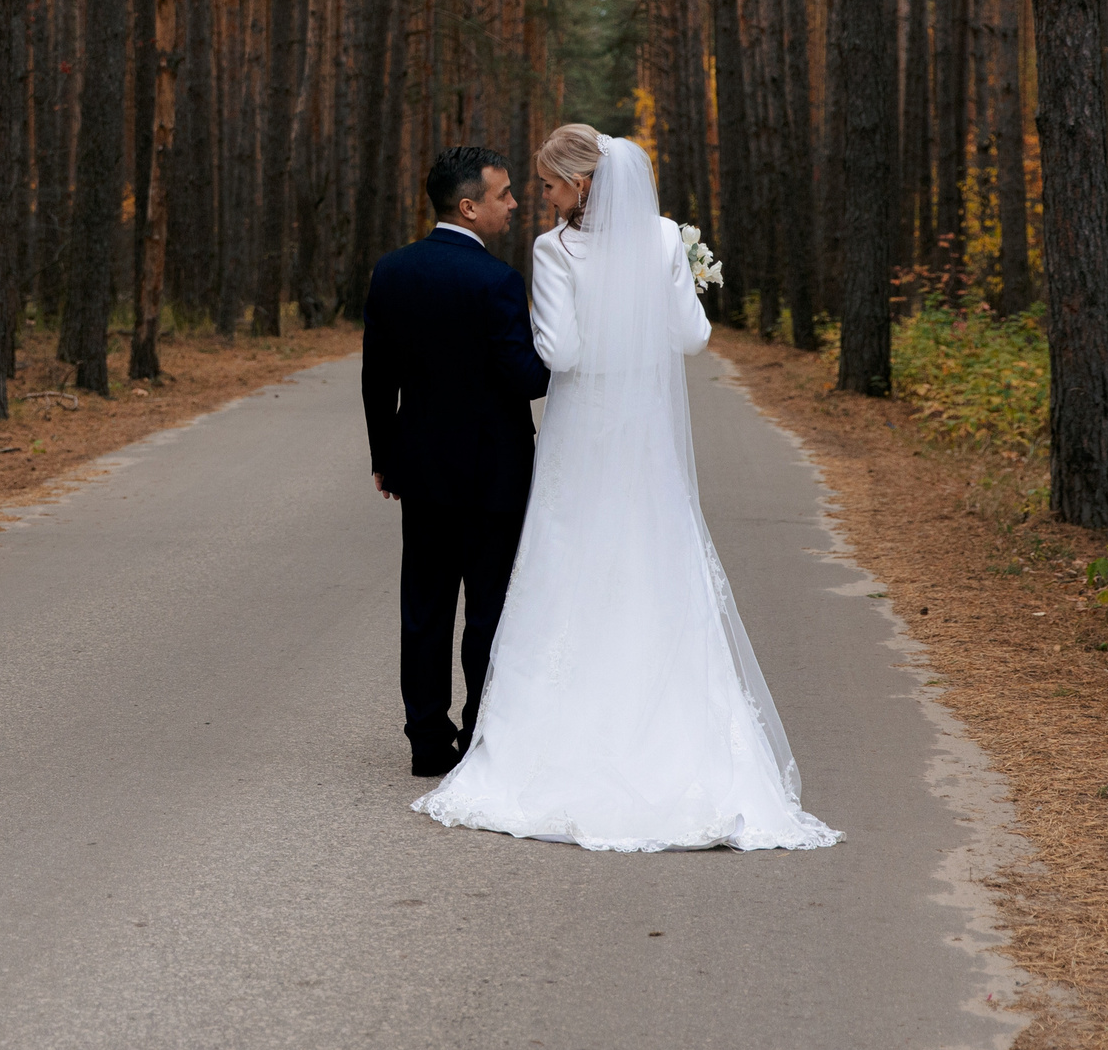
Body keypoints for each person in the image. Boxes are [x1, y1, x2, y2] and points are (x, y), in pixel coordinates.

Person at [414, 124, 841, 851]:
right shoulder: (664, 238)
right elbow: (692, 336)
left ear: (581, 186)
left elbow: (562, 351)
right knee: (654, 560)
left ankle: (554, 733)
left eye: (547, 184)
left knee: (572, 565)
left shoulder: (555, 250)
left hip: (586, 434)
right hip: (645, 433)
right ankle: (677, 734)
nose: (539, 198)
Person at [360, 146, 552, 777]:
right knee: (488, 607)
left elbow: (376, 377)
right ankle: (477, 734)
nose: (514, 204)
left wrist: (385, 457)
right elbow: (525, 378)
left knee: (425, 605)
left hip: (422, 470)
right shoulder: (497, 282)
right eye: (503, 195)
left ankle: (424, 740)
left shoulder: (392, 271)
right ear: (468, 207)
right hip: (494, 474)